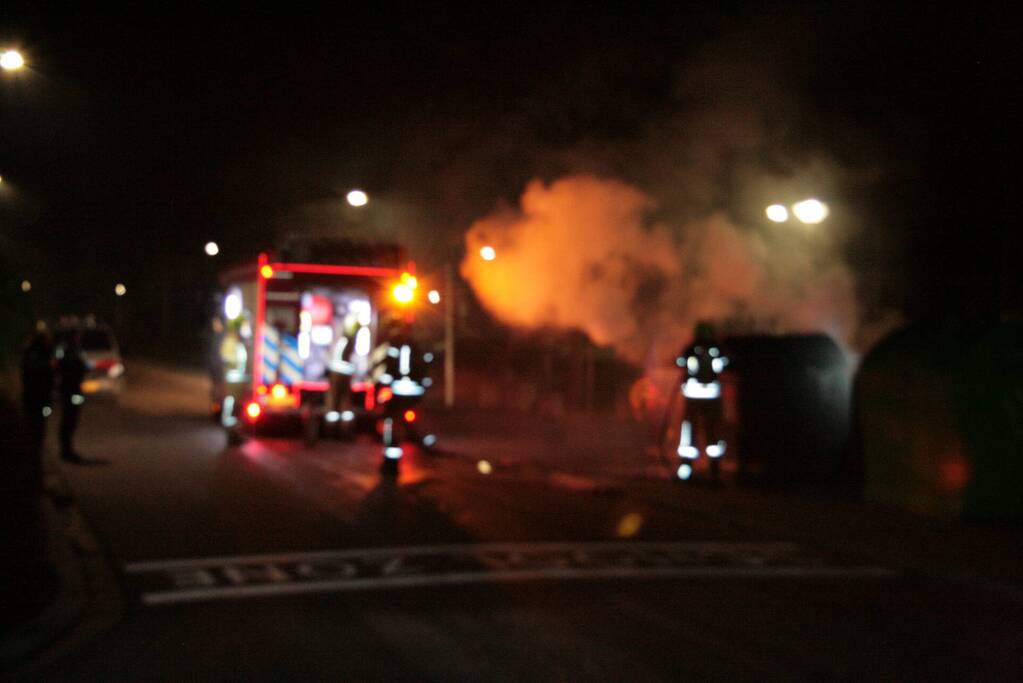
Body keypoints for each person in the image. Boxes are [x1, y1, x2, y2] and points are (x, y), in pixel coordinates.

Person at [675, 321, 729, 483]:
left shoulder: (691, 348)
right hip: (712, 395)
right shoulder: (717, 349)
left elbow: (680, 362)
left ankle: (686, 468)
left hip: (693, 394)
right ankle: (714, 470)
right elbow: (724, 365)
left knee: (689, 431)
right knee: (711, 431)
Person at [20, 326, 54, 453]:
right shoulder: (39, 356)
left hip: (33, 399)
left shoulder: (32, 354)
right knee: (36, 429)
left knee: (34, 429)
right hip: (37, 399)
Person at [56, 329, 88, 464]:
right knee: (69, 420)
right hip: (71, 391)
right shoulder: (71, 353)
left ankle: (66, 450)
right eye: (77, 337)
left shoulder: (70, 352)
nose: (78, 339)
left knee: (70, 420)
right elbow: (80, 368)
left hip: (71, 390)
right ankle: (66, 450)